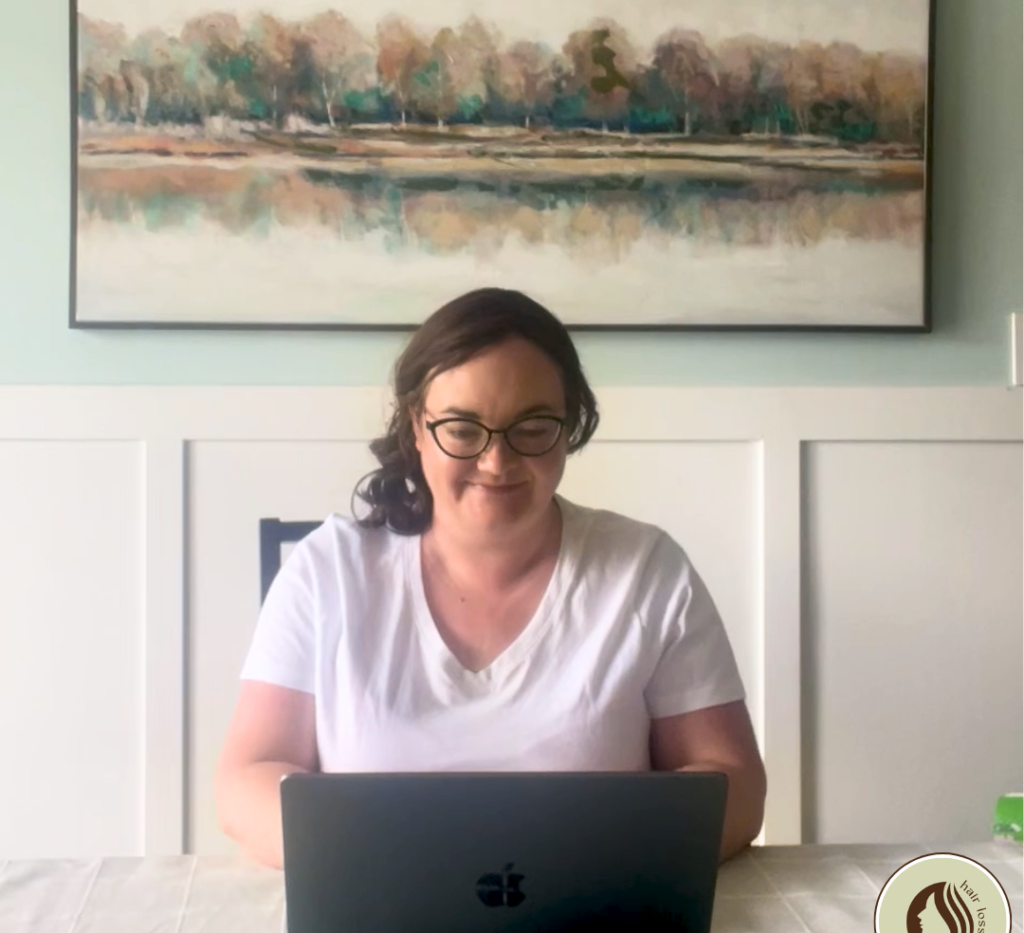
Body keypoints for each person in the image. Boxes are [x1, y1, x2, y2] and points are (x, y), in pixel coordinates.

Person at [216, 287, 766, 871]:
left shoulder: (647, 571)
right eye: (462, 428)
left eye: (532, 428)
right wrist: (384, 861)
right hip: (379, 918)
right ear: (417, 428)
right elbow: (245, 780)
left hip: (595, 916)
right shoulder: (326, 572)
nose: (497, 462)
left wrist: (597, 857)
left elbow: (736, 785)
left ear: (569, 427)